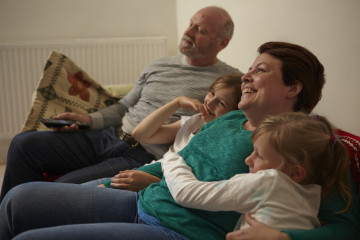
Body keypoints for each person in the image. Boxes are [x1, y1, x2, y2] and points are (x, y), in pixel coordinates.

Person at [0, 41, 358, 240]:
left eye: (261, 70)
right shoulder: (231, 117)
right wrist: (121, 180)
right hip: (142, 198)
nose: (246, 75)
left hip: (179, 230)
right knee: (17, 200)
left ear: (293, 88)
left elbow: (346, 226)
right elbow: (182, 155)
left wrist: (284, 239)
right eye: (249, 68)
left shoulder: (308, 142)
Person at [0, 6, 242, 201]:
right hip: (108, 136)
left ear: (222, 43)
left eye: (200, 30)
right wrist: (89, 120)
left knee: (58, 191)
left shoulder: (225, 85)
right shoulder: (159, 65)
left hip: (141, 155)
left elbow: (232, 120)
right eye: (190, 23)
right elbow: (125, 105)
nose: (188, 31)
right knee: (23, 144)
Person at [161, 112, 352, 232]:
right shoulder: (311, 196)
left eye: (259, 155)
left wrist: (171, 159)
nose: (248, 160)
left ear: (295, 173)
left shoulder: (270, 182)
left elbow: (186, 193)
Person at [98, 73, 243, 190]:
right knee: (83, 190)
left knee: (91, 194)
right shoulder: (195, 121)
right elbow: (141, 134)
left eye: (221, 103)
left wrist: (153, 182)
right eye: (211, 93)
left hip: (159, 183)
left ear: (234, 114)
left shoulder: (221, 141)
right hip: (147, 170)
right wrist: (177, 103)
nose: (210, 102)